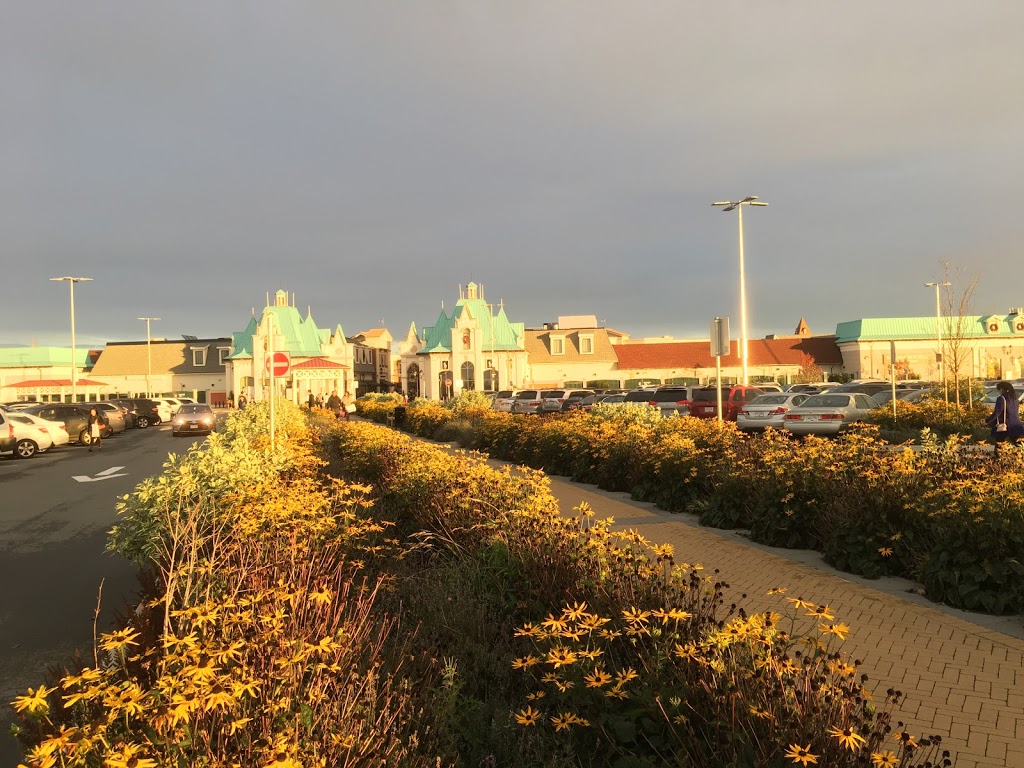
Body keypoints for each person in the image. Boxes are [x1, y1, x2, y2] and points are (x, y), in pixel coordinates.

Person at [987, 381, 1024, 456]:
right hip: (1016, 424)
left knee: (999, 444)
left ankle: (998, 460)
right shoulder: (1015, 399)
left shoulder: (1001, 398)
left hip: (1004, 425)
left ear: (1001, 389)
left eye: (998, 390)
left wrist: (987, 420)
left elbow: (997, 413)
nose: (999, 392)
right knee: (1018, 444)